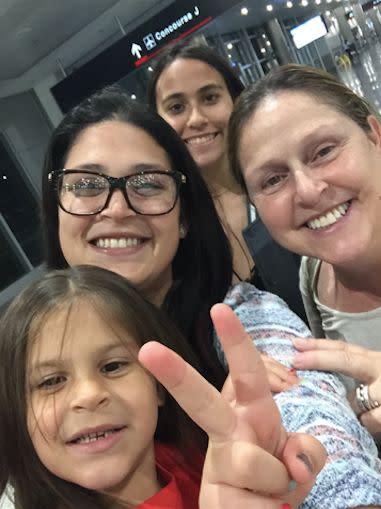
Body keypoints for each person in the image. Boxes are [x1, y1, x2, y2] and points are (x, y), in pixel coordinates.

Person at [40, 86, 381, 507]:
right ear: (55, 207)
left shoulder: (242, 322)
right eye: (87, 184)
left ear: (183, 217)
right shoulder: (24, 362)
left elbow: (315, 429)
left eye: (147, 184)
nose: (116, 208)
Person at [0, 265, 325, 509]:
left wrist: (275, 473)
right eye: (51, 382)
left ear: (158, 386)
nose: (88, 395)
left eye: (113, 366)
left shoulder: (194, 458)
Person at [228, 63, 381, 433]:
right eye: (274, 179)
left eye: (324, 151)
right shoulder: (312, 278)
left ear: (375, 135)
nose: (309, 190)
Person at [147, 40, 306, 323]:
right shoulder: (166, 229)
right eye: (176, 107)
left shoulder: (291, 185)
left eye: (209, 98)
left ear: (236, 101)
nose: (195, 119)